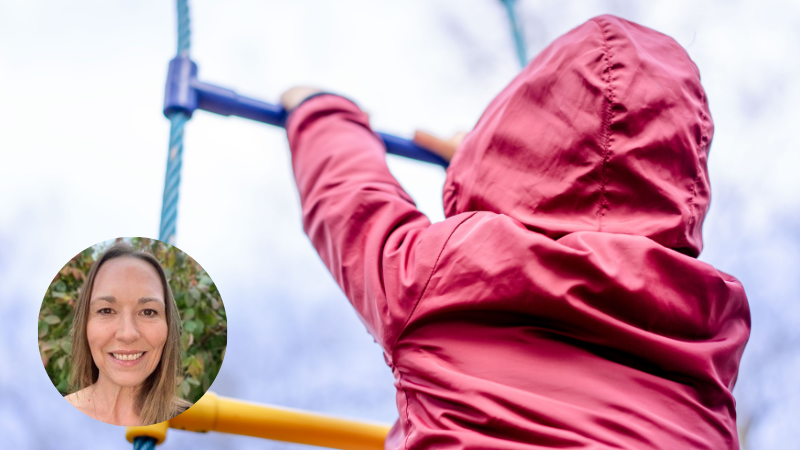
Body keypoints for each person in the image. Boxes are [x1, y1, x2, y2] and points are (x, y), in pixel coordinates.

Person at [280, 14, 750, 450]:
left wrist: (319, 110)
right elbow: (604, 188)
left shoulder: (443, 274)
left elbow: (353, 199)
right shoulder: (705, 331)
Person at [65, 243, 191, 426]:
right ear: (85, 324)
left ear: (168, 326)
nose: (128, 334)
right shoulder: (45, 417)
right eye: (106, 310)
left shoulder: (198, 427)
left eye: (148, 312)